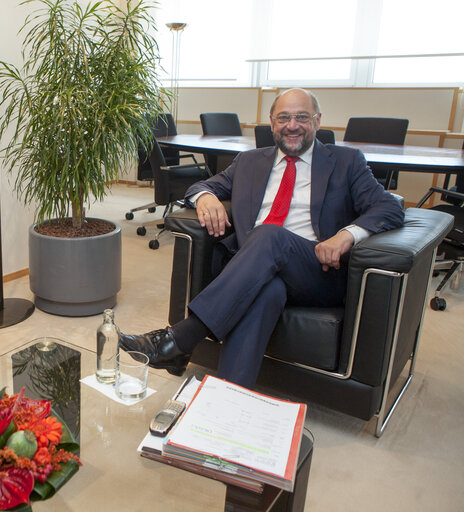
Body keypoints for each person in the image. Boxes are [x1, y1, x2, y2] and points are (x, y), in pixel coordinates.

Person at [119, 88, 405, 388]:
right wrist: (205, 198)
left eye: (302, 117)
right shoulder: (249, 162)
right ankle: (227, 396)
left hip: (315, 269)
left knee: (269, 235)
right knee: (267, 289)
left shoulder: (347, 162)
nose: (292, 125)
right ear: (272, 122)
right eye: (283, 117)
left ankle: (181, 338)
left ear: (318, 121)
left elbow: (388, 206)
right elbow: (200, 186)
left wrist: (348, 234)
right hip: (254, 270)